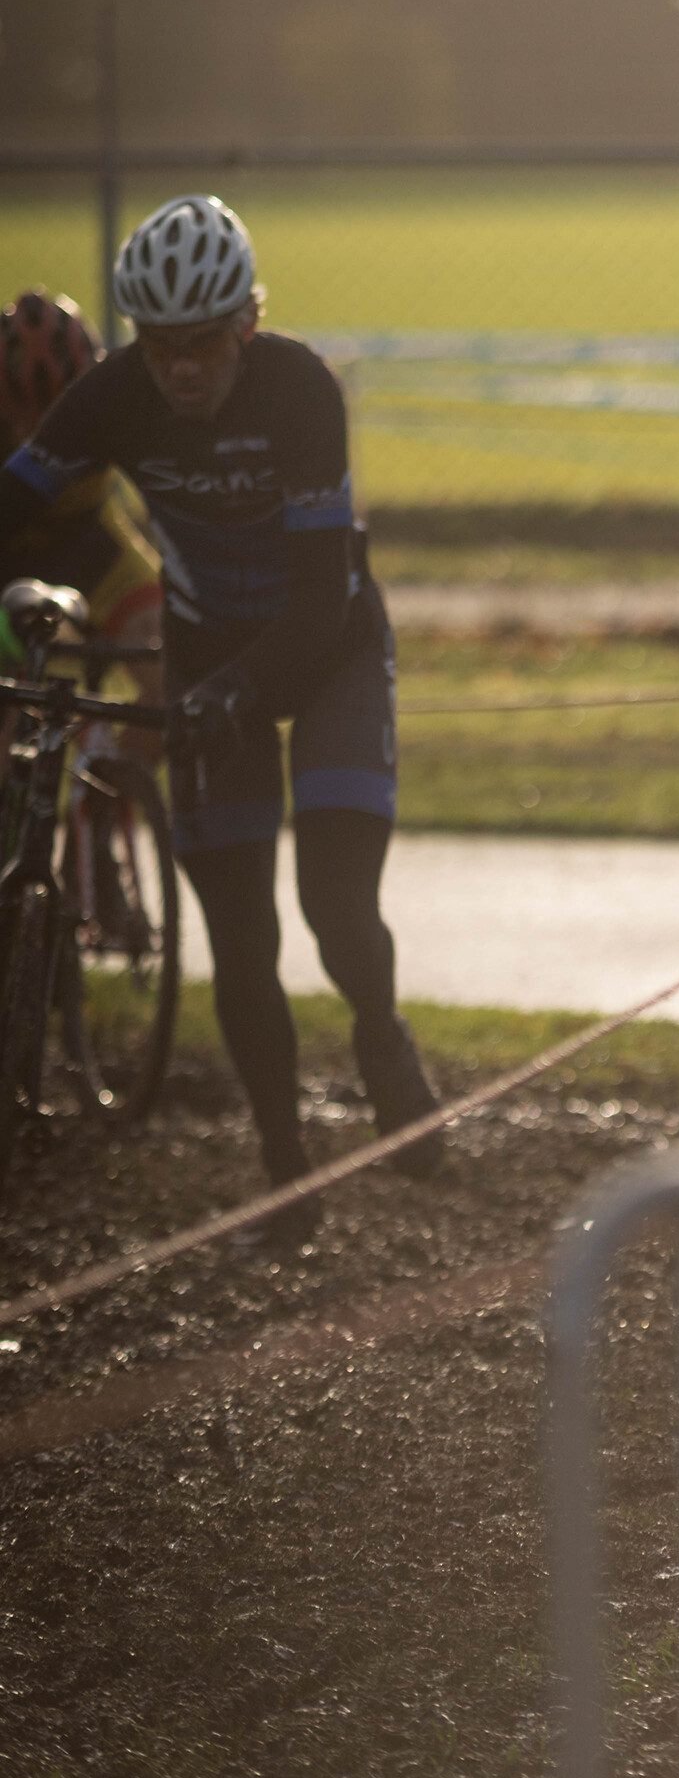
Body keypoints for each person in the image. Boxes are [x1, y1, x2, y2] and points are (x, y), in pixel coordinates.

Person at [0, 195, 440, 1246]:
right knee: (241, 942)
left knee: (335, 909)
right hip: (205, 659)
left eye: (200, 345)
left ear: (245, 323)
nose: (181, 370)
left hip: (324, 647)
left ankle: (381, 1038)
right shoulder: (113, 396)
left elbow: (317, 598)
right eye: (159, 347)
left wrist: (229, 695)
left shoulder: (299, 390)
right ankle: (287, 1178)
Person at [0, 291, 163, 687]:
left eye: (61, 416)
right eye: (20, 416)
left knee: (166, 674)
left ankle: (100, 748)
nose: (40, 436)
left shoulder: (112, 401)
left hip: (89, 542)